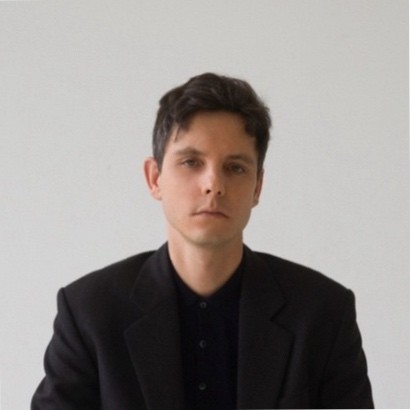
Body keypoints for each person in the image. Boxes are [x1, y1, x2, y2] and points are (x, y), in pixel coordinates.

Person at [32, 73, 374, 409]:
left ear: (257, 187)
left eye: (235, 168)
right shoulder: (90, 313)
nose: (213, 185)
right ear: (154, 178)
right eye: (191, 162)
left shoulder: (323, 313)